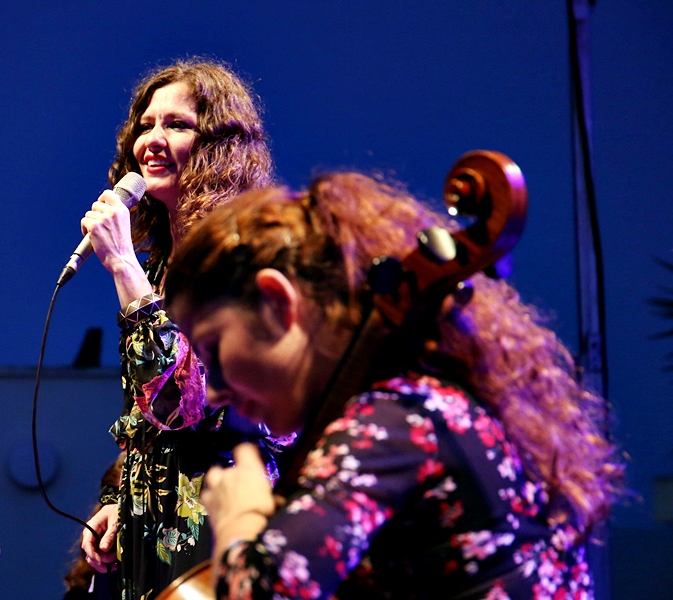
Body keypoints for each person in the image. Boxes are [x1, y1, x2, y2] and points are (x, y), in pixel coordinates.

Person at [163, 176, 625, 599]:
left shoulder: (394, 423)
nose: (216, 391)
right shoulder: (429, 407)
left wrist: (239, 519)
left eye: (213, 350)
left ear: (277, 301)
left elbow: (261, 594)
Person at [77, 58, 282, 600]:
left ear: (219, 145)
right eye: (145, 125)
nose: (153, 139)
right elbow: (148, 418)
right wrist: (121, 499)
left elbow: (179, 402)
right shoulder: (162, 269)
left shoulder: (245, 255)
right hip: (153, 534)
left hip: (221, 519)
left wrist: (122, 266)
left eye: (177, 125)